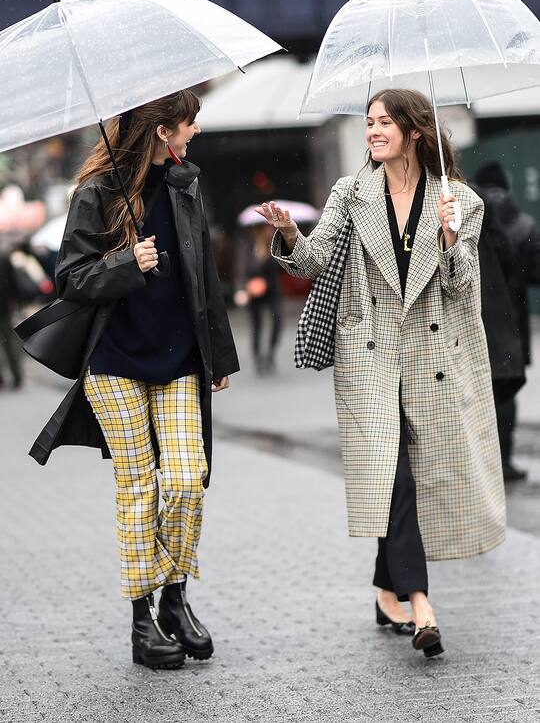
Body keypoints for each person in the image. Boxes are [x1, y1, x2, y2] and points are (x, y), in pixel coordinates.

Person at [258, 89, 505, 658]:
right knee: (393, 479)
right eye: (368, 122)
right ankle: (421, 604)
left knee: (411, 479)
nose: (372, 131)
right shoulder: (352, 192)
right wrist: (291, 233)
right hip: (369, 357)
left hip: (433, 360)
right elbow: (315, 261)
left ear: (414, 131)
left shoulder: (459, 199)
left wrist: (449, 237)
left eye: (383, 123)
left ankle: (385, 589)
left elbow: (463, 287)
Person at [27, 90, 240, 670]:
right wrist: (128, 264)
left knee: (187, 478)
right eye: (189, 122)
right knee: (139, 488)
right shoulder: (95, 193)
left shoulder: (185, 186)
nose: (195, 132)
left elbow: (205, 279)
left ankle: (176, 598)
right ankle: (143, 620)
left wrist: (218, 356)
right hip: (115, 361)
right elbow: (69, 279)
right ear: (163, 129)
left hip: (177, 358)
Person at [474, 161, 540, 481]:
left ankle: (481, 461)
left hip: (476, 318)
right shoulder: (525, 225)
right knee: (506, 393)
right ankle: (504, 460)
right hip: (511, 323)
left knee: (476, 392)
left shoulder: (466, 213)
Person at [234, 223, 283, 373]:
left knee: (277, 321)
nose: (270, 231)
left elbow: (282, 268)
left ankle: (270, 353)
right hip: (253, 292)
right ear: (258, 230)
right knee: (256, 325)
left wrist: (273, 251)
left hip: (272, 291)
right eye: (267, 228)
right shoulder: (247, 247)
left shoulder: (275, 246)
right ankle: (257, 358)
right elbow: (241, 270)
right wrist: (241, 289)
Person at [0, 251, 23, 389]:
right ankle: (17, 376)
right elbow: (14, 282)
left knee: (8, 343)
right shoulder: (3, 256)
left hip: (4, 307)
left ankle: (4, 378)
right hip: (4, 307)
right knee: (9, 342)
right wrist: (18, 303)